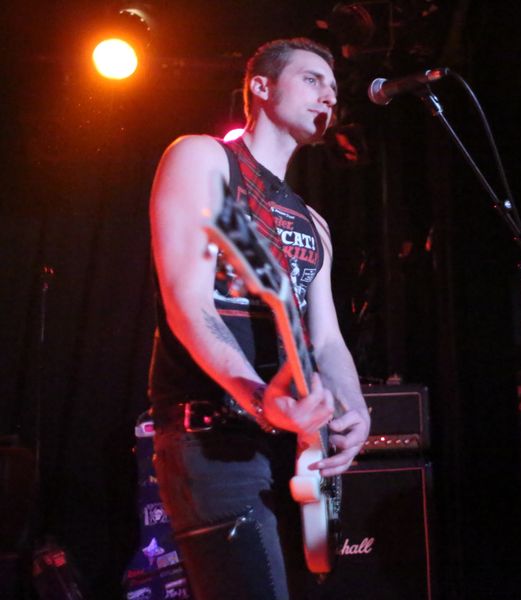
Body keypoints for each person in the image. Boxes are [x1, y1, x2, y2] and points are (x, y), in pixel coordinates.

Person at [148, 37, 371, 599]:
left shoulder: (313, 222)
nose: (329, 97)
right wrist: (256, 398)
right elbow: (188, 303)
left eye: (334, 88)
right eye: (312, 80)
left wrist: (356, 410)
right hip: (216, 437)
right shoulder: (203, 158)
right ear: (261, 86)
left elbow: (326, 340)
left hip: (296, 448)